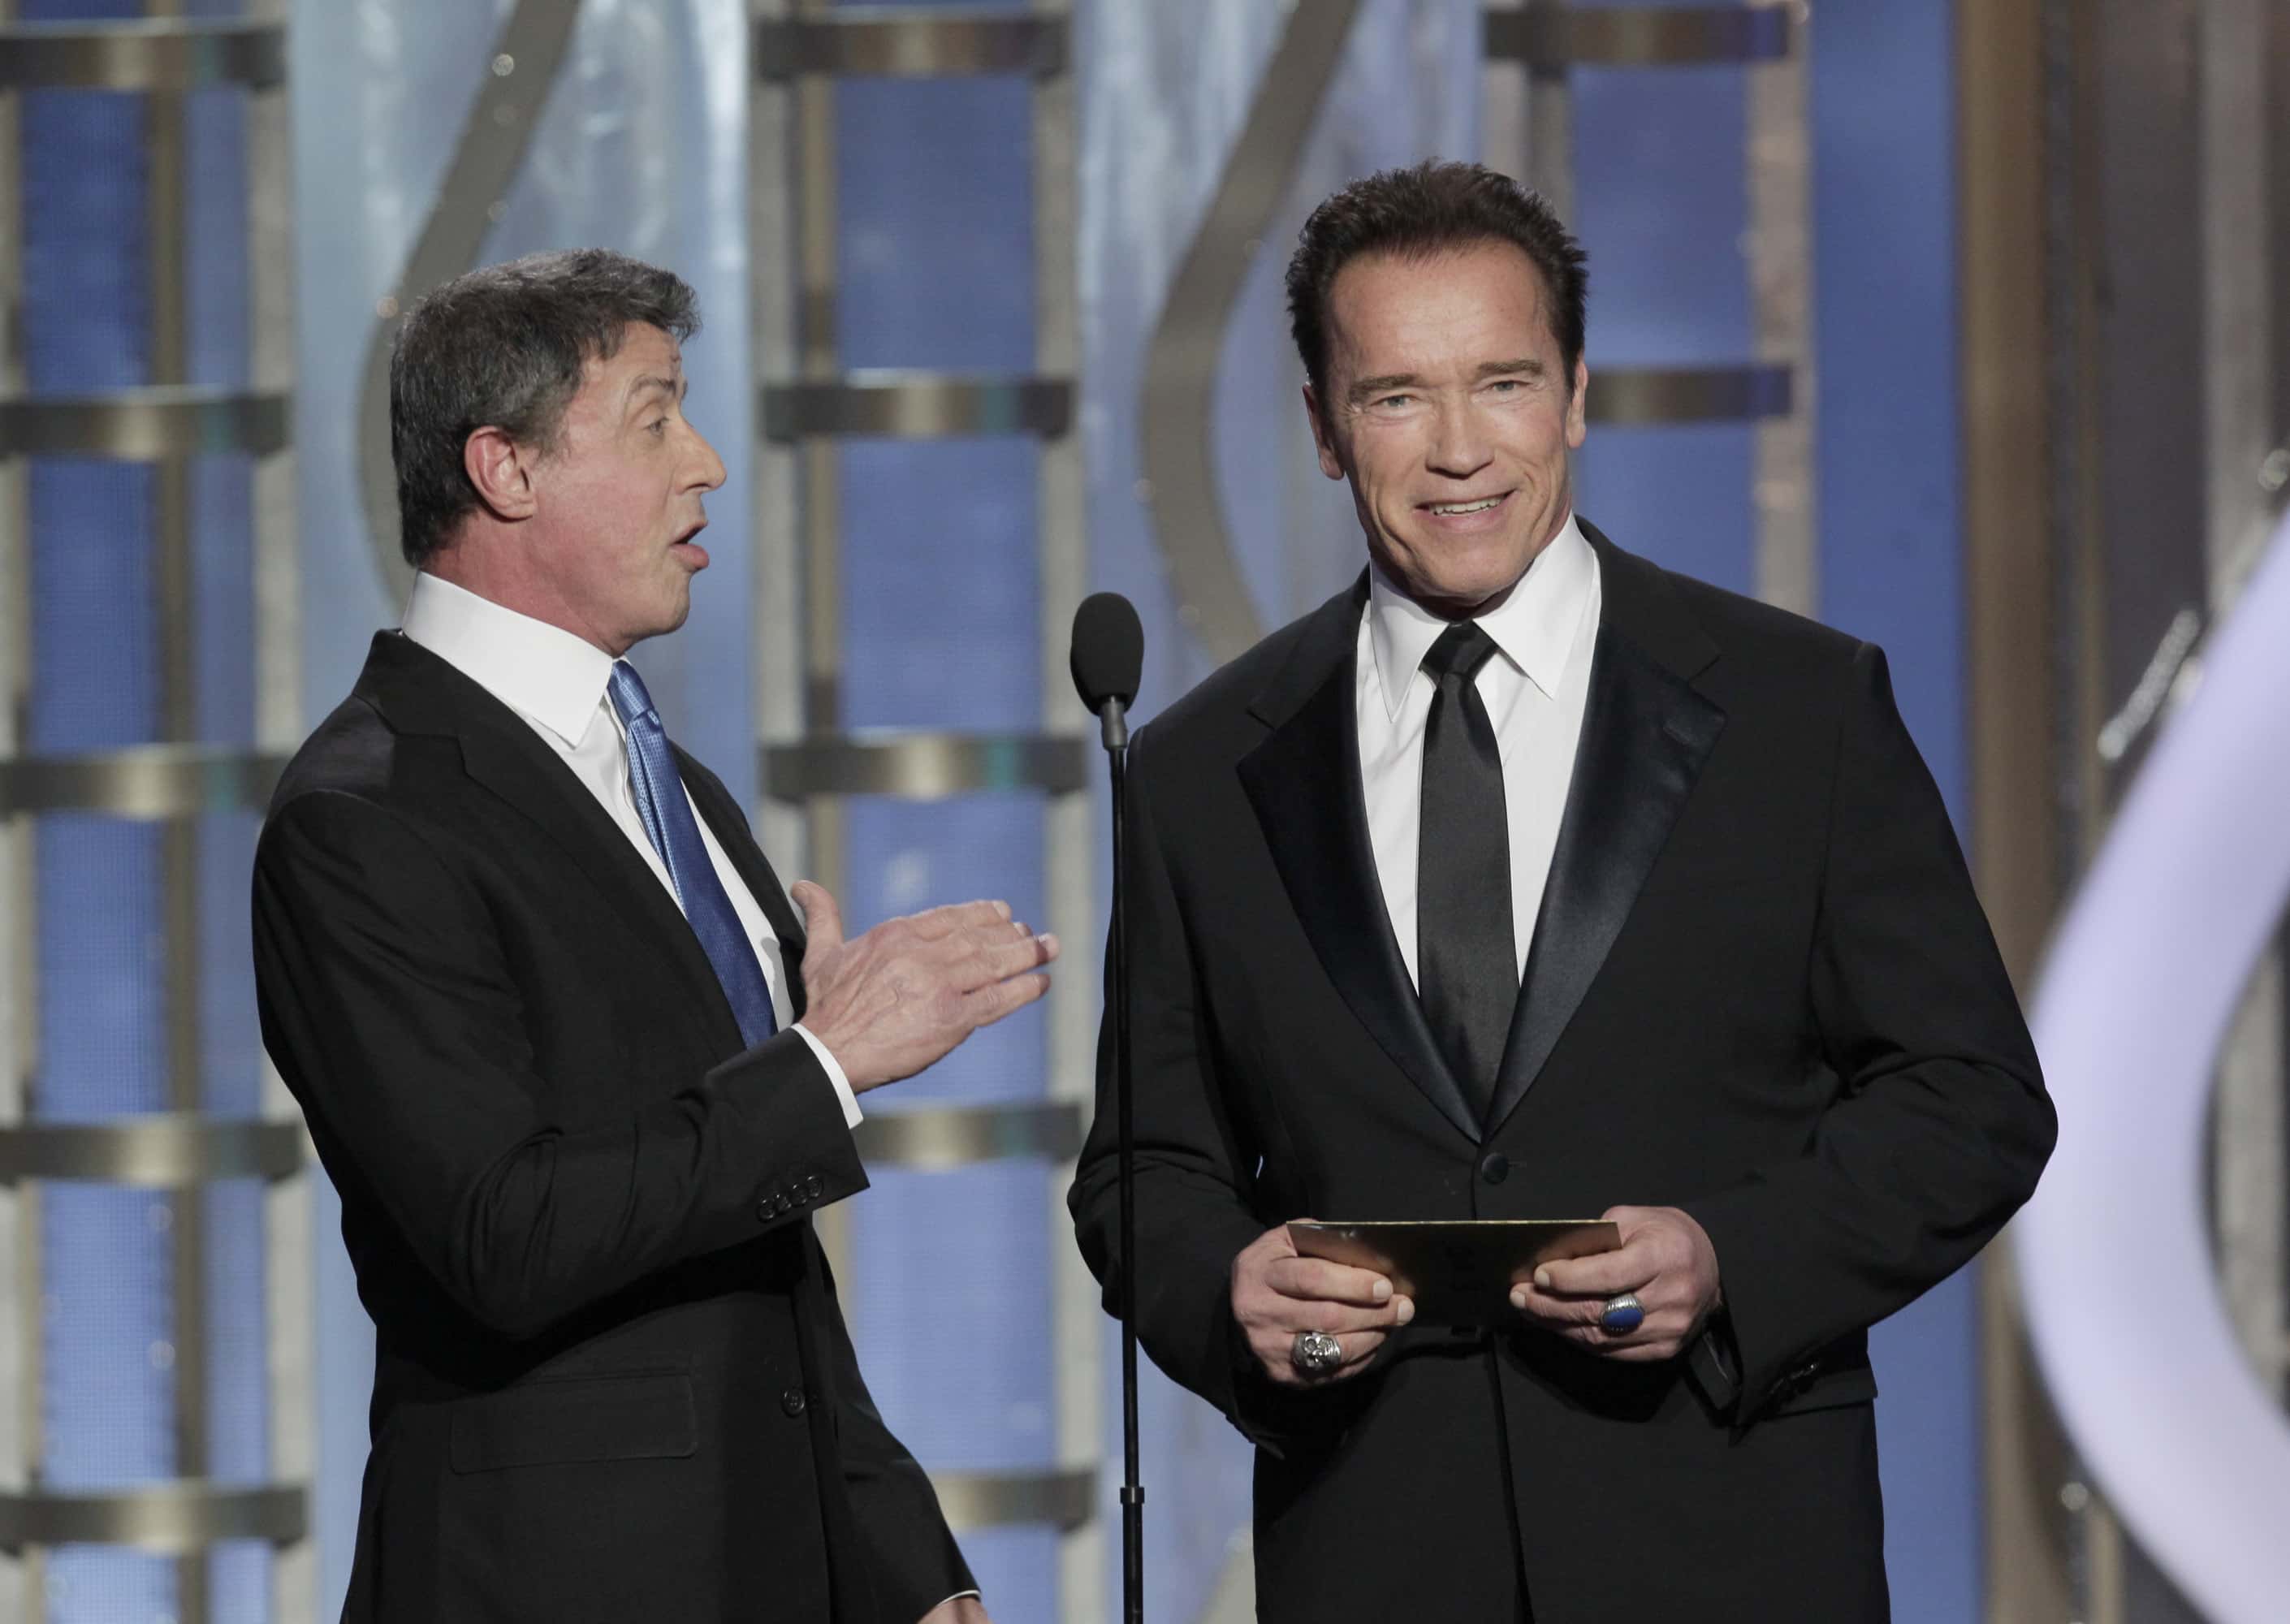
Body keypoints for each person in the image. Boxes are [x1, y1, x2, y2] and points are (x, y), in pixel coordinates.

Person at [1068, 162, 2055, 1622]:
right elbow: (1146, 1170)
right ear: (1326, 430)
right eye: (1398, 395)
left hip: (1730, 1542)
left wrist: (1731, 1258)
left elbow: (1970, 1100)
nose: (1459, 449)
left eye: (1505, 383)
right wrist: (1229, 1289)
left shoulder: (1798, 709)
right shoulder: (1205, 768)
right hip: (1379, 1555)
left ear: (1578, 394)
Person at [254, 249, 1050, 1623]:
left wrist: (899, 1552)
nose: (710, 466)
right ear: (506, 470)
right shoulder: (367, 818)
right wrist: (826, 1063)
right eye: (656, 419)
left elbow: (759, 1258)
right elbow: (504, 1232)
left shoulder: (672, 784)